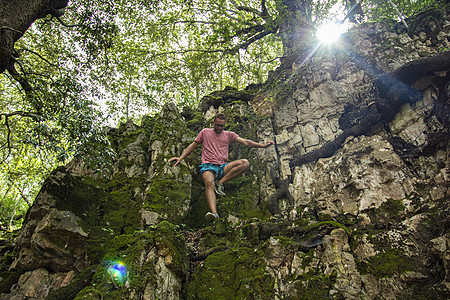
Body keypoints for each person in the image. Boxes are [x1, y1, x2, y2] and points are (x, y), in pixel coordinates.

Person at [169, 113, 274, 222]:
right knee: (209, 182)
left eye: (222, 126)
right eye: (217, 125)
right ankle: (214, 213)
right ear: (213, 123)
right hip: (208, 166)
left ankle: (220, 183)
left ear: (225, 125)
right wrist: (180, 158)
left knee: (245, 163)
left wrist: (263, 145)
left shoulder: (229, 135)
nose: (219, 128)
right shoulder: (205, 132)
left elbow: (245, 142)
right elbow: (193, 145)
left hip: (223, 167)